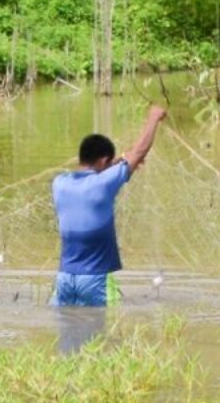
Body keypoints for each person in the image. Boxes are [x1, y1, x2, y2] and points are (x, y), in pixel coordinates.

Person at [52, 103, 164, 308]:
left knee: (67, 335)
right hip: (95, 279)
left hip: (64, 279)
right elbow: (139, 151)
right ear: (104, 160)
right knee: (106, 335)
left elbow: (98, 172)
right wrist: (153, 118)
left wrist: (118, 161)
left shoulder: (60, 182)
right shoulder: (103, 184)